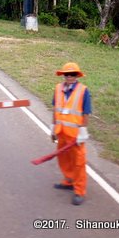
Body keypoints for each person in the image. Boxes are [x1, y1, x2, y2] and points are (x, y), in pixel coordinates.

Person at [50, 62, 92, 206]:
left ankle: (79, 191)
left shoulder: (83, 91)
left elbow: (86, 113)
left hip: (75, 135)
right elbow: (55, 109)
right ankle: (69, 180)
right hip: (61, 132)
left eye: (72, 74)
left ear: (77, 76)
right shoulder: (57, 88)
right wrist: (52, 128)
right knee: (64, 159)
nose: (69, 77)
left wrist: (83, 131)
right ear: (63, 75)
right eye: (67, 74)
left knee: (78, 162)